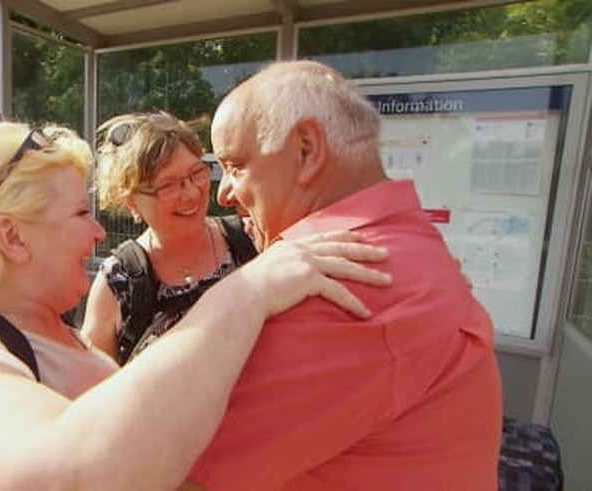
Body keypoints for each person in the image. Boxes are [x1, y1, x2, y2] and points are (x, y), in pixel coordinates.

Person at [0, 119, 393, 490]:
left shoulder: (53, 334)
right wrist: (245, 294)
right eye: (80, 212)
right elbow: (56, 478)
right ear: (12, 237)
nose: (99, 233)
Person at [182, 60, 504, 490]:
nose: (223, 194)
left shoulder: (338, 281)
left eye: (236, 165)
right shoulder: (401, 245)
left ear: (306, 150)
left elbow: (156, 463)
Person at [82, 111, 256, 364]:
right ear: (132, 202)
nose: (191, 193)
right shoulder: (118, 281)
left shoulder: (250, 239)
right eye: (168, 186)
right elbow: (94, 389)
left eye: (196, 173)